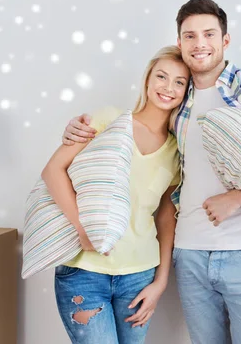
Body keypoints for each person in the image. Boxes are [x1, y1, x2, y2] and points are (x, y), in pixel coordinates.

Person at [62, 0, 241, 344]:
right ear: (180, 42)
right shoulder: (176, 100)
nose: (199, 43)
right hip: (190, 256)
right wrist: (77, 131)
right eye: (189, 36)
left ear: (225, 41)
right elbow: (142, 146)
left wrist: (239, 198)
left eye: (208, 34)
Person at [41, 45, 189, 344]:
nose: (168, 87)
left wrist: (160, 282)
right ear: (148, 79)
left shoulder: (176, 150)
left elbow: (165, 216)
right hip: (84, 271)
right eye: (161, 76)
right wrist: (82, 229)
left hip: (139, 275)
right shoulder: (109, 120)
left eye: (179, 82)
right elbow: (53, 171)